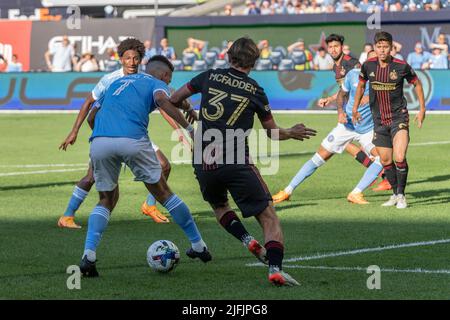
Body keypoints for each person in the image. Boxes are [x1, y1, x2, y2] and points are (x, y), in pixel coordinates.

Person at [169, 37, 317, 286]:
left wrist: (187, 108)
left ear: (229, 57)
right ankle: (274, 268)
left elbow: (173, 99)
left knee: (219, 206)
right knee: (269, 217)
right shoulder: (255, 90)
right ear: (254, 62)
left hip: (202, 159)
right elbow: (271, 132)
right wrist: (291, 132)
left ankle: (247, 240)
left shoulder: (208, 76)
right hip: (236, 160)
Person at [78, 54, 211, 277]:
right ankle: (199, 246)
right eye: (169, 79)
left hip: (100, 140)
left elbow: (92, 114)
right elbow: (162, 100)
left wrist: (105, 136)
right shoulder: (156, 83)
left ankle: (88, 256)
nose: (168, 84)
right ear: (166, 75)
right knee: (164, 194)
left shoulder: (116, 82)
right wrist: (188, 128)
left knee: (106, 199)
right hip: (133, 140)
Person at [58, 38, 191, 228]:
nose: (132, 62)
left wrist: (178, 129)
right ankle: (67, 216)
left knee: (164, 165)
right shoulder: (110, 80)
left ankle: (149, 205)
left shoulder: (145, 80)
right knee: (91, 177)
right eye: (128, 58)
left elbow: (163, 104)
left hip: (134, 135)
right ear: (121, 59)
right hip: (108, 133)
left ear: (141, 60)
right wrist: (75, 132)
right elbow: (89, 105)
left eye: (136, 58)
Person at [272, 51, 384, 205]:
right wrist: (340, 113)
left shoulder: (382, 80)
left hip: (367, 129)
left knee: (383, 157)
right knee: (319, 157)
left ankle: (356, 193)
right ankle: (287, 191)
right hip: (347, 126)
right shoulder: (353, 76)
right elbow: (341, 95)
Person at [352, 31, 426, 209]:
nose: (382, 50)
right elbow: (361, 85)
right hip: (379, 120)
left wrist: (422, 109)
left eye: (386, 47)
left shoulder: (401, 66)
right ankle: (394, 194)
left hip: (398, 117)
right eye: (379, 47)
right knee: (385, 161)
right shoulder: (368, 65)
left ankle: (401, 195)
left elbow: (416, 83)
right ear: (375, 48)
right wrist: (354, 108)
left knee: (399, 156)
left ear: (391, 48)